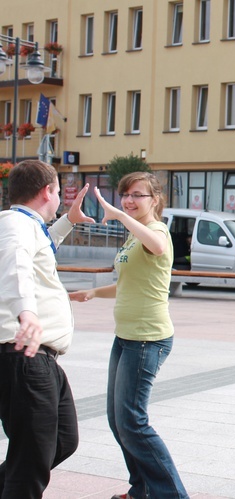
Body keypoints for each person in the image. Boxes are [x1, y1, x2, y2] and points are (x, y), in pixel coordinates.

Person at [69, 172, 189, 499]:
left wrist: (121, 215)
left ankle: (170, 495)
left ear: (155, 200)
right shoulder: (132, 237)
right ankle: (142, 489)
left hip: (147, 338)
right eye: (125, 195)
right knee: (117, 419)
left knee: (133, 422)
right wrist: (92, 294)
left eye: (138, 195)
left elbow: (159, 245)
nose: (129, 200)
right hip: (125, 337)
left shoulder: (156, 230)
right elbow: (128, 284)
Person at [0, 159, 94, 498]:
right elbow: (16, 261)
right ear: (47, 192)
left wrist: (68, 220)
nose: (59, 197)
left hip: (40, 358)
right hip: (24, 353)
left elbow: (41, 248)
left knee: (62, 441)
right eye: (58, 191)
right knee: (31, 460)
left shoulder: (25, 224)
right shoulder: (14, 225)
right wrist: (26, 311)